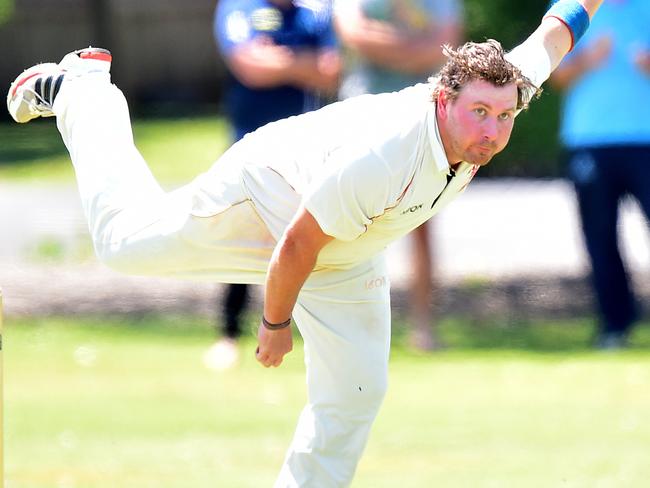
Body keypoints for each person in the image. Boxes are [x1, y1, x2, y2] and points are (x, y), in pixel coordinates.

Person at [6, 0, 603, 484]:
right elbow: (296, 245)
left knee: (356, 391)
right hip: (269, 194)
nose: (492, 130)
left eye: (503, 115)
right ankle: (86, 92)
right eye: (479, 113)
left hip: (345, 245)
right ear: (444, 100)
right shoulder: (387, 152)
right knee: (121, 244)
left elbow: (557, 30)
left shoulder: (506, 92)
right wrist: (272, 324)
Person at [207, 0, 341, 370]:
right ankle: (228, 334)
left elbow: (332, 73)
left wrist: (278, 59)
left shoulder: (315, 11)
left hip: (304, 156)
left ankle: (307, 337)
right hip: (246, 150)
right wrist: (303, 63)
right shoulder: (239, 7)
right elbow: (248, 66)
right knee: (239, 239)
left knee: (304, 242)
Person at [334, 0, 464, 350]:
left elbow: (447, 47)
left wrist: (391, 45)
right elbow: (353, 33)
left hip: (420, 119)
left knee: (421, 222)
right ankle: (352, 329)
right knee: (352, 222)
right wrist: (412, 46)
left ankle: (422, 328)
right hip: (362, 118)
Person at [550, 0, 650, 349]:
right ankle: (615, 327)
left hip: (645, 139)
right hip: (590, 139)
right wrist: (586, 61)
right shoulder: (570, 7)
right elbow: (552, 74)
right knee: (600, 238)